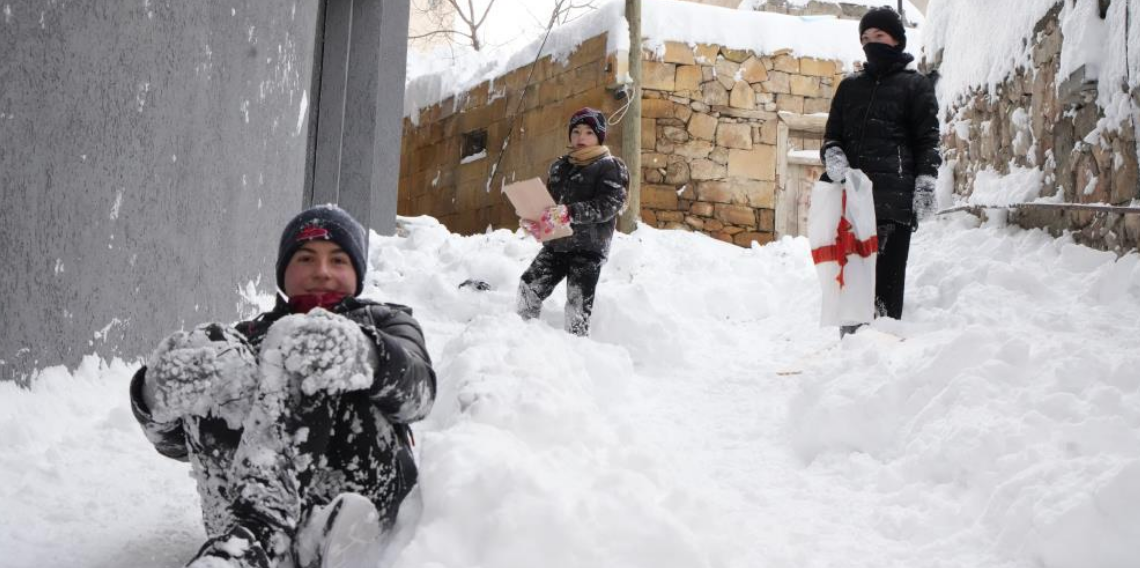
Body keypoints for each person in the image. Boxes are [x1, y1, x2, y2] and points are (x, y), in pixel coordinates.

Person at [129, 205, 436, 568]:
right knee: (211, 345)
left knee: (304, 338)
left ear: (357, 271)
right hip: (238, 523)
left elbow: (418, 396)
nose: (321, 272)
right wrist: (154, 397)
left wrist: (366, 353)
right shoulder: (245, 342)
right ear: (284, 270)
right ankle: (252, 543)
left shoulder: (386, 322)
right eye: (306, 258)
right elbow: (180, 446)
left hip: (358, 508)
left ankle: (267, 536)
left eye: (338, 260)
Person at [820, 6, 941, 333]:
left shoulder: (915, 86)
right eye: (865, 37)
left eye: (879, 35)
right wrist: (833, 157)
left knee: (884, 294)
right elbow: (832, 136)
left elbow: (928, 141)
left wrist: (926, 182)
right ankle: (850, 356)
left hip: (893, 204)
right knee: (853, 289)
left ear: (897, 40)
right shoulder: (849, 88)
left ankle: (882, 357)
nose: (871, 42)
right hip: (852, 204)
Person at [516, 107, 629, 336]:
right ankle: (522, 336)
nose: (581, 137)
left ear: (598, 136)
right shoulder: (559, 167)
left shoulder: (610, 166)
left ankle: (576, 350)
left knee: (577, 304)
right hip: (557, 244)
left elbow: (608, 205)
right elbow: (549, 206)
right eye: (576, 131)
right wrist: (536, 220)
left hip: (589, 248)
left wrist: (571, 213)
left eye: (588, 132)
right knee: (529, 286)